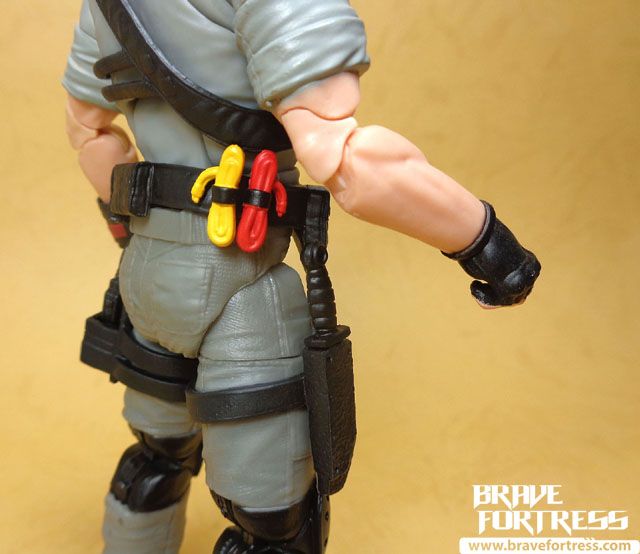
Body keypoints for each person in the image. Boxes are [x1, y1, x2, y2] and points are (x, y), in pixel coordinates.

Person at [63, 1, 540, 552]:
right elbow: (348, 161)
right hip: (241, 291)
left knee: (153, 464)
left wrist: (135, 235)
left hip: (146, 276)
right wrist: (488, 245)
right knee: (276, 525)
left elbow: (88, 130)